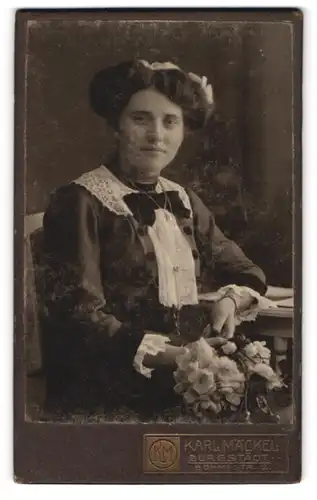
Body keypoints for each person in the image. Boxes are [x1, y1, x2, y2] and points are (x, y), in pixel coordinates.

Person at [40, 59, 267, 418]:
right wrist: (181, 357)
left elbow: (245, 271)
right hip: (111, 388)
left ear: (183, 131)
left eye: (170, 121)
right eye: (140, 119)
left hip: (188, 377)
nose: (157, 135)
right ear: (116, 125)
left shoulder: (183, 200)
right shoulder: (80, 201)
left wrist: (230, 302)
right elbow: (81, 316)